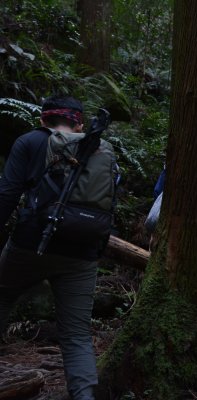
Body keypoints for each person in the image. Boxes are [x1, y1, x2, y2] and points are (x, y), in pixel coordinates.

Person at [0, 95, 117, 400]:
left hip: (28, 245)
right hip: (81, 251)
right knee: (77, 335)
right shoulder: (100, 149)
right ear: (79, 122)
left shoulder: (29, 142)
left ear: (42, 120)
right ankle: (84, 397)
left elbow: (8, 194)